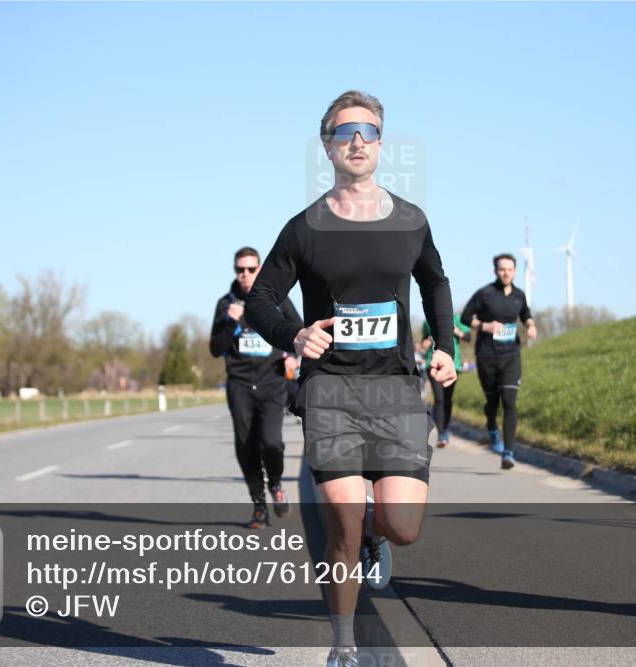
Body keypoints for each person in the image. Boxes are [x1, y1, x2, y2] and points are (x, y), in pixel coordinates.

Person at [245, 90, 456, 667]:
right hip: (330, 389)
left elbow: (435, 283)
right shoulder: (305, 227)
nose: (357, 140)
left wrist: (445, 345)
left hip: (395, 387)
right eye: (345, 131)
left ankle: (377, 537)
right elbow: (262, 297)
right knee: (342, 518)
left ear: (382, 144)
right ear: (327, 146)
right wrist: (294, 334)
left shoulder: (411, 220)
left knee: (403, 524)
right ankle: (343, 644)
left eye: (368, 130)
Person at [210, 247, 303, 528]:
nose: (246, 274)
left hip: (272, 381)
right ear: (235, 271)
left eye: (251, 269)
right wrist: (229, 321)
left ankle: (275, 483)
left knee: (271, 442)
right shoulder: (226, 304)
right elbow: (215, 349)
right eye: (241, 269)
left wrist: (291, 353)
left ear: (260, 269)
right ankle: (259, 505)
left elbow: (298, 330)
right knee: (245, 446)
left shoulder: (275, 299)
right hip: (239, 384)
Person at [460, 253, 537, 469]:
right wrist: (484, 326)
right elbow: (466, 316)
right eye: (502, 269)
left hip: (511, 355)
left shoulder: (519, 295)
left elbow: (525, 313)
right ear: (496, 271)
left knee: (510, 401)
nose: (506, 273)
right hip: (487, 355)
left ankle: (509, 452)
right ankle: (492, 427)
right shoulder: (485, 294)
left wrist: (530, 325)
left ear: (514, 271)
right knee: (492, 401)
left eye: (510, 269)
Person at [420, 315, 471, 447]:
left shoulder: (457, 319)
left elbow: (468, 337)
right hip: (432, 363)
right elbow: (424, 339)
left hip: (453, 364)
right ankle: (441, 433)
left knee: (447, 398)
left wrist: (455, 331)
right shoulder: (428, 320)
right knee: (439, 398)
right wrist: (425, 342)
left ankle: (445, 429)